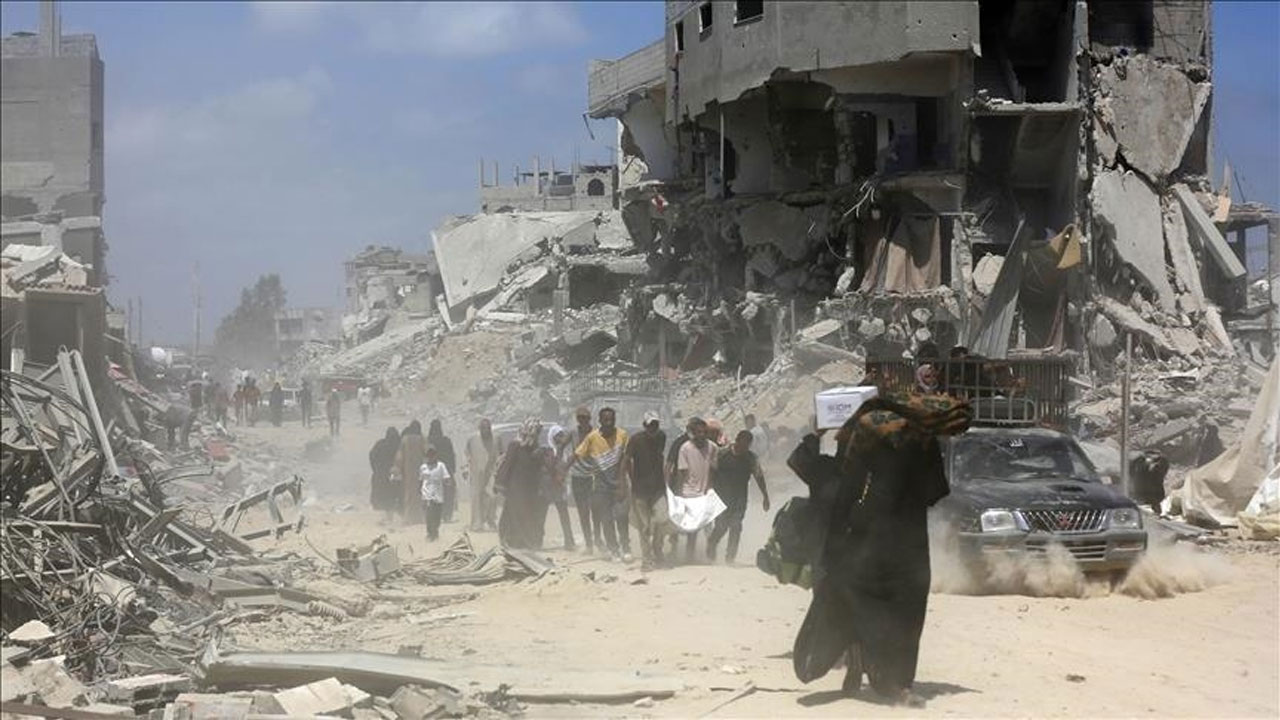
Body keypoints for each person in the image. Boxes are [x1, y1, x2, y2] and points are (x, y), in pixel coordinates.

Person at [791, 393, 971, 704]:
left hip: (866, 536)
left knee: (858, 600)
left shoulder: (865, 430)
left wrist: (835, 542)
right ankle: (896, 682)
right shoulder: (923, 437)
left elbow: (846, 488)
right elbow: (935, 490)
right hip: (909, 539)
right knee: (906, 610)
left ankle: (859, 663)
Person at [708, 430, 770, 564]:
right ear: (737, 440)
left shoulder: (751, 458)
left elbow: (759, 476)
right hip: (721, 496)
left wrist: (765, 495)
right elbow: (711, 471)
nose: (744, 448)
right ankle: (711, 545)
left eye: (747, 446)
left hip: (740, 498)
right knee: (721, 526)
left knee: (736, 526)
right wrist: (709, 490)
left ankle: (730, 557)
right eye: (742, 445)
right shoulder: (722, 453)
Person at [496, 418, 553, 549]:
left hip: (530, 487)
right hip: (515, 486)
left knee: (527, 514)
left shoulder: (537, 448)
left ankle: (524, 541)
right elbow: (507, 464)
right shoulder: (515, 445)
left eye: (537, 432)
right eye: (535, 431)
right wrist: (500, 483)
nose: (535, 435)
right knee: (514, 513)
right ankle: (511, 540)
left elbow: (540, 468)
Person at [621, 411, 667, 570]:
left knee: (662, 519)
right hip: (640, 490)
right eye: (650, 425)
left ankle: (657, 548)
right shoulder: (635, 440)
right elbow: (626, 460)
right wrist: (628, 480)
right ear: (644, 425)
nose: (653, 428)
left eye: (656, 424)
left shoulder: (661, 437)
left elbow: (659, 458)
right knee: (645, 527)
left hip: (658, 488)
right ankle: (646, 560)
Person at [674, 417, 716, 563]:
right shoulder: (685, 448)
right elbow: (682, 472)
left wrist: (710, 487)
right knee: (693, 528)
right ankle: (689, 556)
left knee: (708, 526)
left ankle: (710, 555)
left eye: (704, 432)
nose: (702, 435)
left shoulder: (712, 447)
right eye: (699, 432)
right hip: (689, 493)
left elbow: (713, 469)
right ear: (694, 433)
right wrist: (679, 494)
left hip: (706, 492)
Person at [568, 406, 601, 554]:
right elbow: (561, 445)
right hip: (577, 476)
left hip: (592, 476)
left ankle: (598, 540)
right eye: (580, 418)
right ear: (577, 419)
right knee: (583, 513)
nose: (582, 421)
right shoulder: (573, 433)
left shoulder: (596, 434)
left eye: (585, 418)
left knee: (596, 511)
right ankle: (589, 544)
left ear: (589, 419)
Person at [546, 425, 579, 550]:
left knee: (564, 514)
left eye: (562, 435)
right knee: (541, 513)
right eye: (558, 436)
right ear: (552, 437)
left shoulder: (564, 452)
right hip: (550, 486)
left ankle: (569, 541)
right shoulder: (549, 451)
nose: (560, 438)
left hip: (560, 487)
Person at [466, 419, 500, 531]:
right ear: (479, 429)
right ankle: (477, 523)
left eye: (487, 428)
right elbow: (466, 454)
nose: (485, 430)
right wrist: (465, 469)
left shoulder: (496, 438)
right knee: (477, 497)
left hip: (492, 472)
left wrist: (499, 467)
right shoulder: (472, 439)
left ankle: (490, 520)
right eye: (483, 428)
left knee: (492, 496)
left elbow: (502, 454)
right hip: (476, 472)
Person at [427, 419, 458, 523]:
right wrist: (452, 469)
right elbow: (452, 455)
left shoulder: (428, 441)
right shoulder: (446, 440)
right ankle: (447, 515)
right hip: (446, 471)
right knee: (448, 494)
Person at [396, 420, 427, 525]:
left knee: (408, 493)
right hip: (420, 470)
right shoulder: (422, 439)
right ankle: (420, 518)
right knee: (420, 493)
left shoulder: (405, 439)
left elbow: (400, 456)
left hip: (407, 470)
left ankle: (408, 517)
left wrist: (398, 468)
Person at [369, 427, 401, 521]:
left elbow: (372, 456)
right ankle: (389, 516)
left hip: (380, 474)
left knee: (382, 495)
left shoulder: (380, 444)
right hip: (392, 475)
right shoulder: (397, 446)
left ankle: (385, 516)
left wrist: (375, 469)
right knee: (392, 495)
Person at [420, 446, 450, 541]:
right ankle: (430, 533)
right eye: (429, 455)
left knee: (437, 515)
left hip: (438, 494)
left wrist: (447, 482)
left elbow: (446, 477)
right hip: (427, 494)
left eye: (432, 455)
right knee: (429, 514)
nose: (431, 457)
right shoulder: (423, 467)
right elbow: (420, 480)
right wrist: (420, 492)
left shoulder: (441, 466)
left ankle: (435, 532)